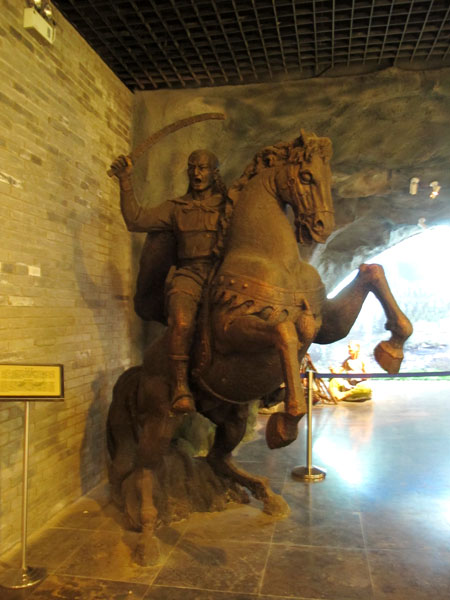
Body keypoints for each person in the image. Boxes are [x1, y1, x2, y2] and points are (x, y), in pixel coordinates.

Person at [109, 150, 228, 414]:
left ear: (214, 173)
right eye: (192, 168)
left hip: (221, 275)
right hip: (189, 274)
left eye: (203, 168)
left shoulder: (228, 206)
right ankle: (180, 386)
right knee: (182, 321)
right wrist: (125, 181)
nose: (197, 173)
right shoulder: (177, 207)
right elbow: (136, 219)